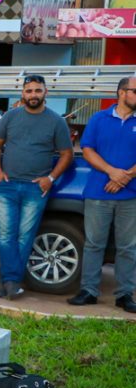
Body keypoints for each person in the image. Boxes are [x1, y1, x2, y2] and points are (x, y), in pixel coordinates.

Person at [0, 75, 73, 300]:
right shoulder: (10, 116)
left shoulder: (56, 121)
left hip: (36, 188)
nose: (33, 95)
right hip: (7, 185)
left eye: (38, 90)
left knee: (24, 237)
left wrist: (51, 178)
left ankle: (9, 281)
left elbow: (67, 153)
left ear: (46, 92)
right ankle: (11, 282)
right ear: (22, 93)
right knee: (5, 236)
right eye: (29, 91)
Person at [67, 76, 136, 313]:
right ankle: (89, 291)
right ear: (121, 93)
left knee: (128, 247)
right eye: (135, 91)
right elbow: (87, 150)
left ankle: (125, 294)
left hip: (130, 195)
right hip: (98, 193)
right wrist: (112, 172)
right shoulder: (99, 119)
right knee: (94, 244)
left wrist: (124, 177)